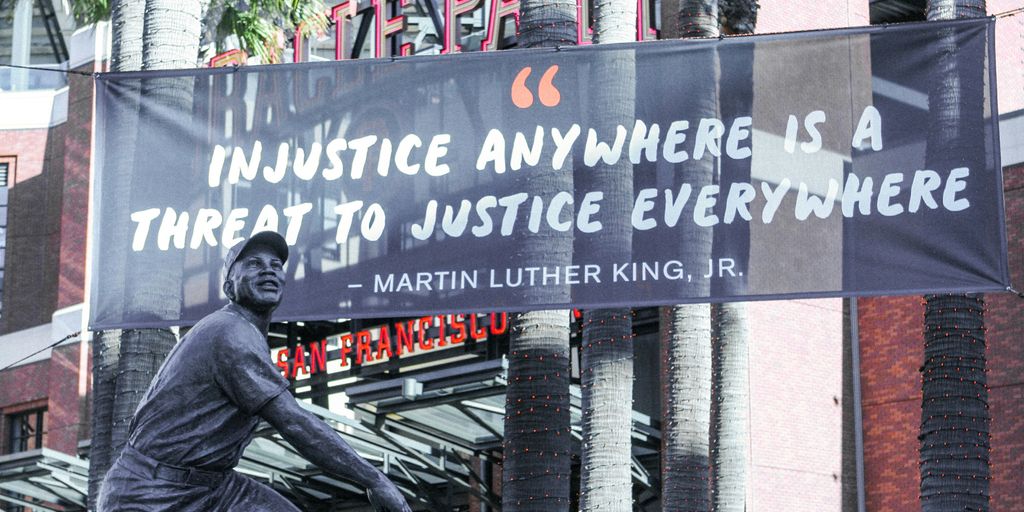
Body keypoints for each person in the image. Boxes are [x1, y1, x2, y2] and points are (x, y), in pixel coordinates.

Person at [98, 231, 412, 512]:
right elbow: (294, 422)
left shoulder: (244, 332)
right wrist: (375, 480)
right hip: (149, 495)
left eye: (276, 265)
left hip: (212, 487)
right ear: (228, 286)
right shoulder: (229, 332)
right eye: (253, 264)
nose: (268, 271)